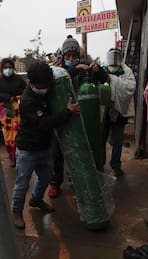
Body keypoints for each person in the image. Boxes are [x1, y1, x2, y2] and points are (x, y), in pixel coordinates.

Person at [11, 61, 80, 229]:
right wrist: (67, 112)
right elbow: (44, 124)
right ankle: (17, 211)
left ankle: (36, 199)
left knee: (47, 176)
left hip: (43, 147)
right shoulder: (27, 101)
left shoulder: (44, 90)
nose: (45, 88)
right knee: (22, 183)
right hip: (27, 149)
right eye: (42, 85)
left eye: (47, 84)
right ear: (32, 83)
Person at [47, 35, 107, 198]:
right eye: (68, 56)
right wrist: (77, 67)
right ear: (63, 57)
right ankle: (55, 182)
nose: (71, 59)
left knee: (81, 147)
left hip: (82, 114)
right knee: (58, 150)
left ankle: (78, 179)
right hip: (62, 114)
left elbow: (104, 79)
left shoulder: (86, 66)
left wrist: (97, 69)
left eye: (74, 56)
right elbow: (61, 76)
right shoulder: (58, 70)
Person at [101, 48, 136, 177]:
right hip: (104, 114)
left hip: (120, 113)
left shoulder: (126, 71)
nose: (114, 67)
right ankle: (100, 163)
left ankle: (116, 166)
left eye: (116, 64)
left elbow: (130, 87)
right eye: (112, 64)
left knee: (117, 140)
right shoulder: (102, 71)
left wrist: (114, 80)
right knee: (101, 139)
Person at [0, 58, 27, 167]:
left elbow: (26, 90)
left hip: (17, 108)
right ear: (2, 68)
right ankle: (11, 155)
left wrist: (19, 97)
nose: (8, 70)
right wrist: (5, 97)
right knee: (8, 133)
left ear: (13, 68)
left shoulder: (19, 79)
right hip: (5, 108)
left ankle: (20, 154)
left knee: (18, 131)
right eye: (6, 68)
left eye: (10, 68)